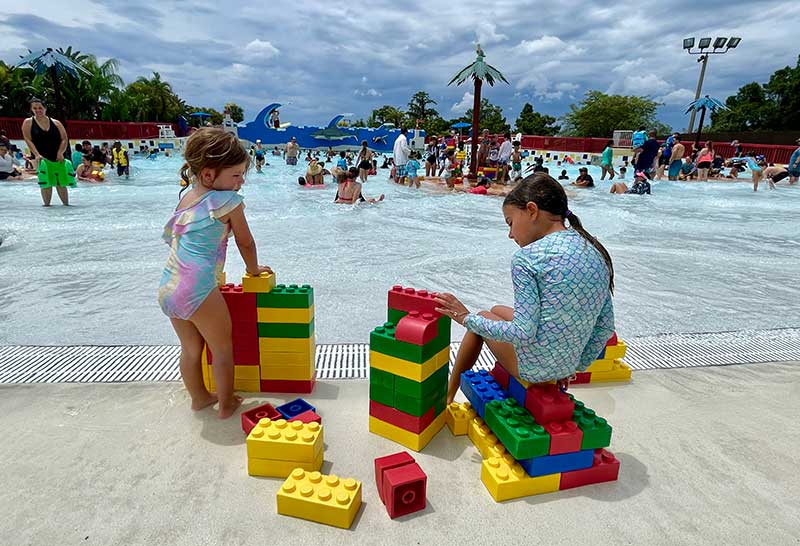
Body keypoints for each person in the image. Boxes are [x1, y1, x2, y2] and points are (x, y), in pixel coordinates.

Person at [434, 173, 615, 403]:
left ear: (531, 210)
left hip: (535, 368)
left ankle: (448, 394)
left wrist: (464, 317)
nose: (510, 234)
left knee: (480, 318)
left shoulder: (527, 258)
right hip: (566, 362)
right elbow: (605, 326)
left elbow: (523, 332)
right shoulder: (593, 250)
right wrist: (575, 365)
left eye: (510, 223)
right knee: (498, 309)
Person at [158, 128, 272, 419]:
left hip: (169, 286)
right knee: (222, 348)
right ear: (209, 175)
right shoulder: (229, 202)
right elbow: (246, 241)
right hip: (198, 288)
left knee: (190, 349)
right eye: (235, 175)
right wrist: (253, 269)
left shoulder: (186, 199)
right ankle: (226, 404)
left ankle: (199, 398)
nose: (241, 181)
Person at [21, 98, 71, 206]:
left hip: (57, 155)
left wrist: (60, 152)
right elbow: (28, 139)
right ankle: (47, 210)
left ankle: (67, 208)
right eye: (35, 108)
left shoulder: (56, 123)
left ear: (45, 108)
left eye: (40, 108)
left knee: (61, 182)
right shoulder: (28, 122)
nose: (38, 110)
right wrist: (36, 154)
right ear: (31, 109)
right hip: (40, 157)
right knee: (45, 183)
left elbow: (64, 139)